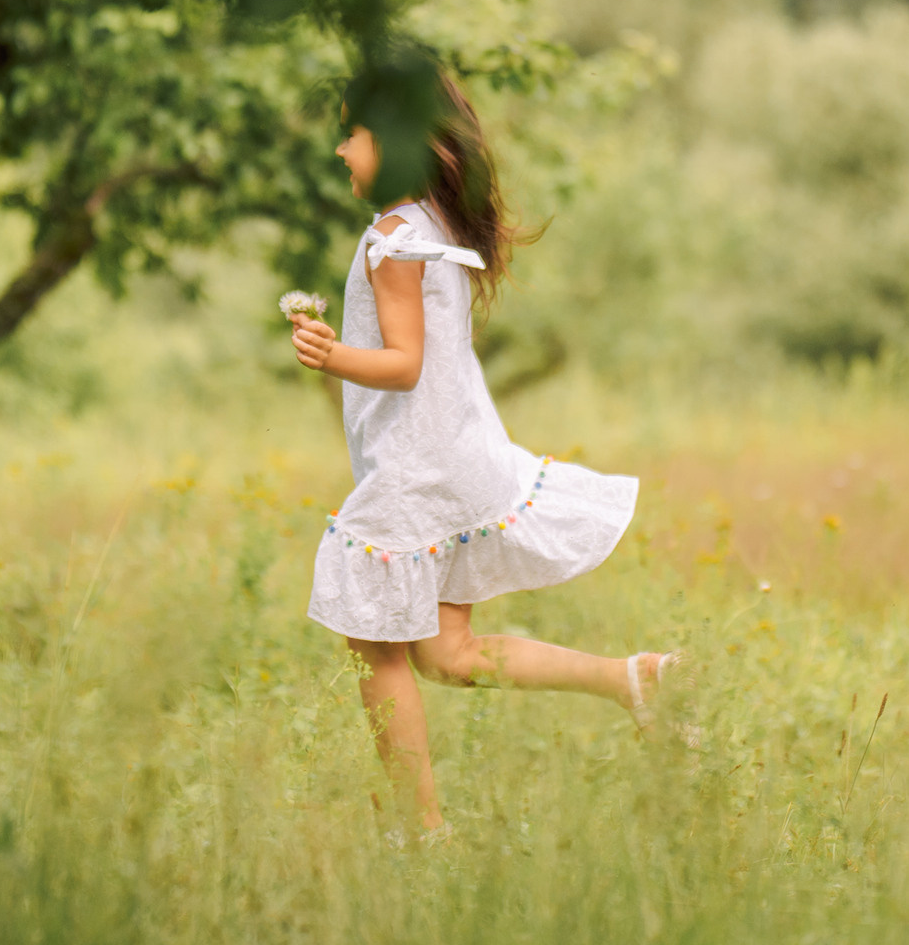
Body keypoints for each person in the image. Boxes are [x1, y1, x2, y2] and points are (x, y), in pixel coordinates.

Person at [287, 65, 674, 835]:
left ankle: (420, 832)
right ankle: (635, 679)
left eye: (351, 134)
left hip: (421, 468)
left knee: (375, 646)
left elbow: (404, 363)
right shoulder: (434, 222)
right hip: (456, 454)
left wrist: (331, 356)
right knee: (446, 653)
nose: (340, 149)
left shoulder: (396, 238)